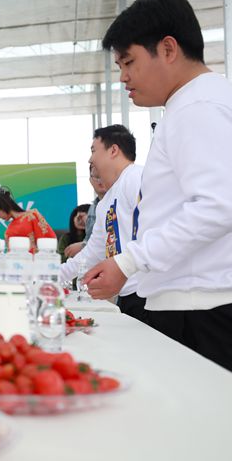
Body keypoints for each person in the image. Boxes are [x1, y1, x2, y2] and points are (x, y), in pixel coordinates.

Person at [85, 0, 232, 380]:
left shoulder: (198, 107)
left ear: (168, 48)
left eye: (129, 61)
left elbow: (217, 208)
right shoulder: (196, 103)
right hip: (201, 301)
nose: (123, 76)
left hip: (204, 307)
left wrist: (128, 262)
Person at [60, 125, 145, 321]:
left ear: (113, 150)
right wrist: (53, 276)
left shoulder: (136, 177)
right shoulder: (105, 203)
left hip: (147, 292)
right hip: (127, 294)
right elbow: (92, 253)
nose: (90, 159)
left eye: (93, 150)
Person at [0, 187, 55, 253]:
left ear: (3, 206)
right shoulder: (8, 231)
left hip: (40, 260)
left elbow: (49, 239)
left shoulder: (32, 215)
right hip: (20, 262)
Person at [64, 167, 107, 259]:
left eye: (104, 176)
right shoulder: (94, 208)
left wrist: (83, 246)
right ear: (90, 180)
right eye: (96, 177)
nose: (100, 181)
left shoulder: (117, 201)